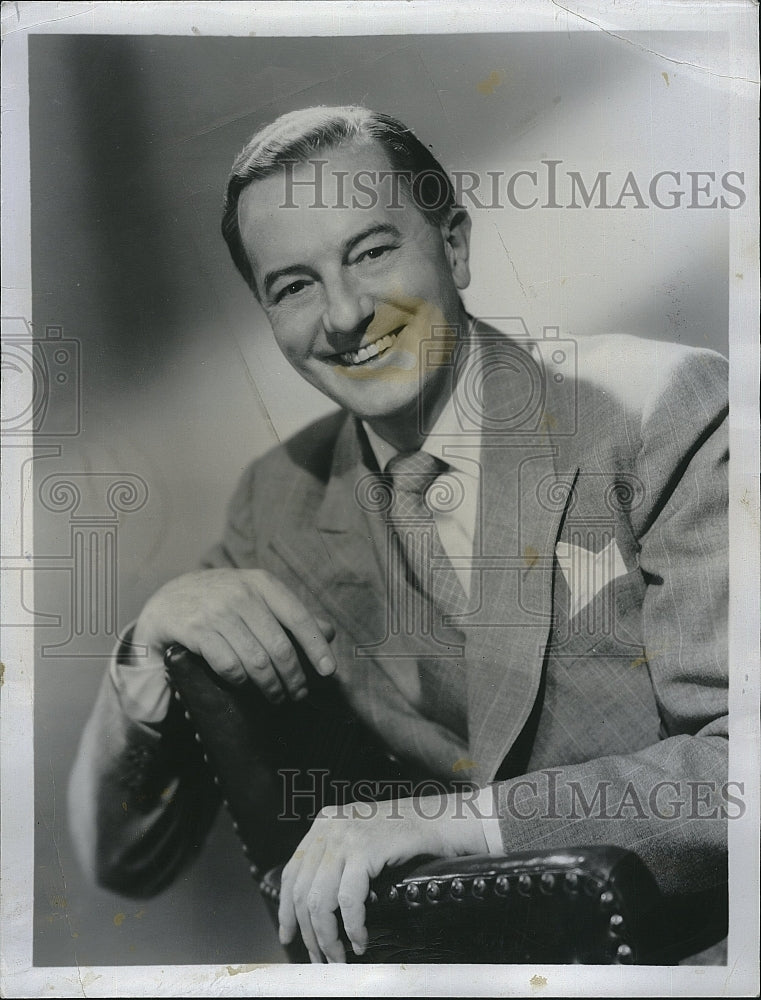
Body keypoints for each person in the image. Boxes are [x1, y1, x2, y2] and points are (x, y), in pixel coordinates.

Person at [69, 105, 729, 965]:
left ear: (453, 244)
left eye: (371, 252)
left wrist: (454, 822)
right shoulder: (278, 503)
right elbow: (122, 863)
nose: (343, 315)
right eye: (293, 285)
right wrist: (146, 653)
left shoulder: (663, 410)